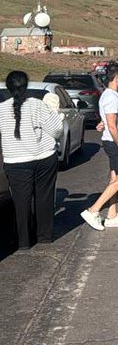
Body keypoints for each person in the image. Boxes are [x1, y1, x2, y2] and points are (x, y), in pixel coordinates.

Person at [0, 71, 64, 250]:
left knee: (21, 202)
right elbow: (57, 130)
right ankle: (44, 236)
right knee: (44, 197)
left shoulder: (2, 109)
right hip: (43, 157)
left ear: (9, 87)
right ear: (26, 86)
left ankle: (23, 242)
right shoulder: (37, 105)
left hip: (15, 161)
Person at [82, 63, 118, 230]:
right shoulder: (111, 96)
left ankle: (112, 215)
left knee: (114, 179)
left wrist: (102, 125)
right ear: (117, 77)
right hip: (116, 142)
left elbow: (107, 121)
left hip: (113, 140)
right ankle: (93, 210)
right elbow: (112, 125)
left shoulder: (109, 95)